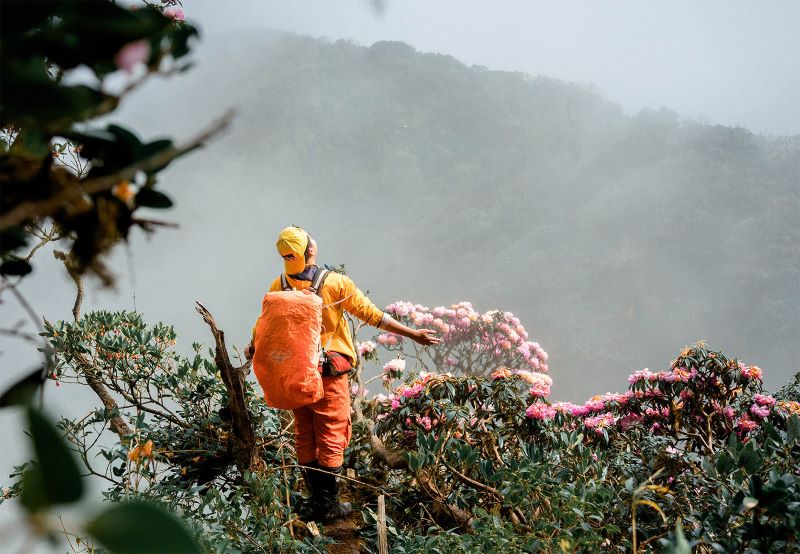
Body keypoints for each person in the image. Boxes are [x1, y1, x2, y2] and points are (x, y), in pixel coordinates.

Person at [245, 226, 439, 521]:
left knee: (305, 433)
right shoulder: (335, 283)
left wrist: (252, 348)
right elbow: (373, 316)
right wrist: (413, 333)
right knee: (332, 433)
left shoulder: (280, 284)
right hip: (328, 371)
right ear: (310, 250)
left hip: (296, 372)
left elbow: (264, 327)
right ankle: (329, 506)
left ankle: (316, 501)